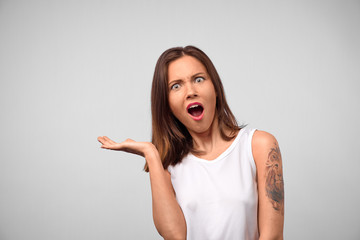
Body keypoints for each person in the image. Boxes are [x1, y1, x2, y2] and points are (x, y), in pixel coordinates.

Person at [97, 46, 284, 240]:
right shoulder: (168, 165)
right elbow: (175, 236)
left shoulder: (259, 145)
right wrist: (151, 154)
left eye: (199, 79)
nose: (190, 91)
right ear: (167, 104)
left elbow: (273, 236)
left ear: (216, 89)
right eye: (176, 86)